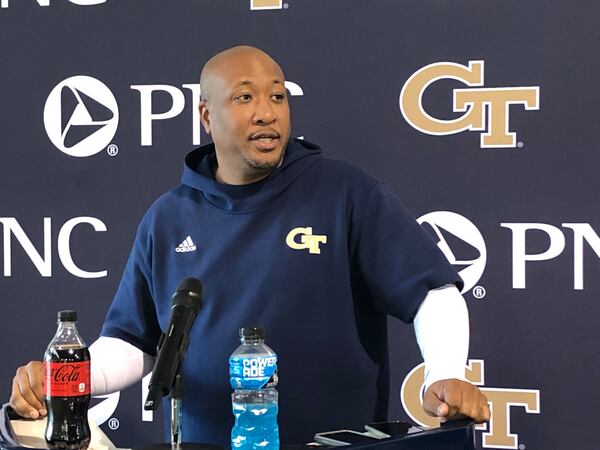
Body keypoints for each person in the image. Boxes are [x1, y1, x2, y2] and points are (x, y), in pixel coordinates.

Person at [9, 46, 490, 446]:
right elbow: (135, 343)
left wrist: (444, 372)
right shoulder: (168, 216)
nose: (267, 111)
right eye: (244, 97)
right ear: (206, 115)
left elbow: (432, 293)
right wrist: (69, 374)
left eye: (278, 96)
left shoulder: (345, 192)